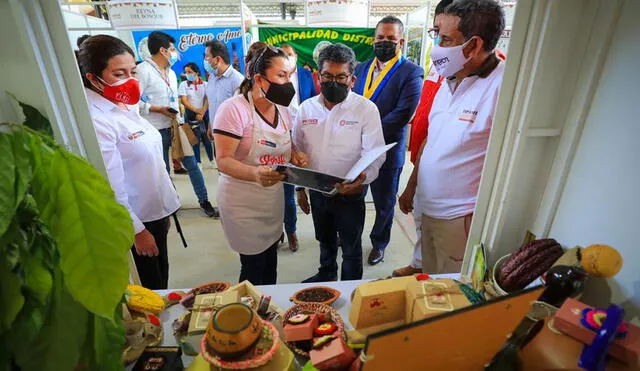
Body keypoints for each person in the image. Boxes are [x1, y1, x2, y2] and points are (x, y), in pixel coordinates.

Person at [393, 0, 507, 277]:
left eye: (445, 39)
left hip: (459, 220)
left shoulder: (502, 89)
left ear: (474, 45)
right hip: (429, 209)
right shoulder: (450, 79)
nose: (437, 47)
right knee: (430, 281)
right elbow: (433, 140)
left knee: (451, 294)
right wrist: (412, 185)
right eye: (436, 35)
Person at [78, 34, 180, 289]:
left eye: (132, 71)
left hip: (156, 212)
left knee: (162, 280)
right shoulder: (98, 119)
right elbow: (110, 185)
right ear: (93, 78)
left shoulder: (124, 106)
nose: (130, 80)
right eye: (119, 74)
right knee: (150, 288)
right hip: (136, 222)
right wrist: (137, 230)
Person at [212, 43, 308, 285]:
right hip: (243, 203)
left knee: (269, 264)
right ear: (259, 78)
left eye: (290, 75)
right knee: (253, 269)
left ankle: (264, 310)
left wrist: (295, 153)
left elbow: (284, 140)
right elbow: (223, 161)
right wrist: (255, 173)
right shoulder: (234, 110)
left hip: (271, 201)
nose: (288, 83)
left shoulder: (283, 110)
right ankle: (250, 316)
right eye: (281, 76)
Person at [294, 44, 386, 282]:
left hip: (350, 191)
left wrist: (362, 180)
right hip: (317, 189)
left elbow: (375, 153)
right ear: (318, 76)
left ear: (352, 79)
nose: (333, 82)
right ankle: (326, 274)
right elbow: (296, 150)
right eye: (327, 76)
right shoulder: (305, 109)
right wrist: (299, 188)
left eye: (341, 77)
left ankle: (350, 285)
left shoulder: (366, 110)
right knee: (324, 239)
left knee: (351, 245)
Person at [353, 16, 423, 266]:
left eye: (390, 39)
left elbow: (403, 114)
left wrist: (364, 131)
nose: (384, 42)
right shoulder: (360, 68)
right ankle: (351, 239)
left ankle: (378, 244)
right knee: (353, 198)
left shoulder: (411, 73)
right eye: (380, 38)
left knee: (384, 204)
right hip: (356, 151)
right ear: (374, 39)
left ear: (401, 41)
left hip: (387, 149)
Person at [137, 31, 218, 218]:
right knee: (163, 170)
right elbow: (133, 104)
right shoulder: (143, 72)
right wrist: (155, 109)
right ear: (163, 50)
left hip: (176, 126)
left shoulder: (172, 73)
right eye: (173, 49)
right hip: (155, 129)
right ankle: (170, 203)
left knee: (192, 165)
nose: (175, 54)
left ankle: (204, 200)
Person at [279, 42, 318, 252]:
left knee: (298, 183)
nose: (287, 57)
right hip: (279, 136)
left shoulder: (305, 76)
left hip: (301, 133)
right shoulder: (273, 78)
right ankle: (286, 231)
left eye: (290, 54)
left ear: (295, 57)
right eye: (283, 54)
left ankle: (291, 231)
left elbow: (313, 103)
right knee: (284, 189)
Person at [203, 40, 245, 142]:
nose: (205, 60)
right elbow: (213, 105)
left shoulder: (237, 80)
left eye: (207, 57)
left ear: (218, 59)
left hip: (232, 136)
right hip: (216, 133)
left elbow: (243, 112)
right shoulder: (211, 78)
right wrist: (210, 125)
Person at [179, 62, 214, 167]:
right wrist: (196, 111)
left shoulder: (205, 84)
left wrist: (202, 111)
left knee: (207, 137)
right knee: (195, 140)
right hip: (190, 114)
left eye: (190, 72)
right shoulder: (183, 85)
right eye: (186, 72)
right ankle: (198, 162)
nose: (187, 74)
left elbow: (208, 99)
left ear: (197, 72)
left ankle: (212, 160)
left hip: (205, 113)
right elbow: (184, 101)